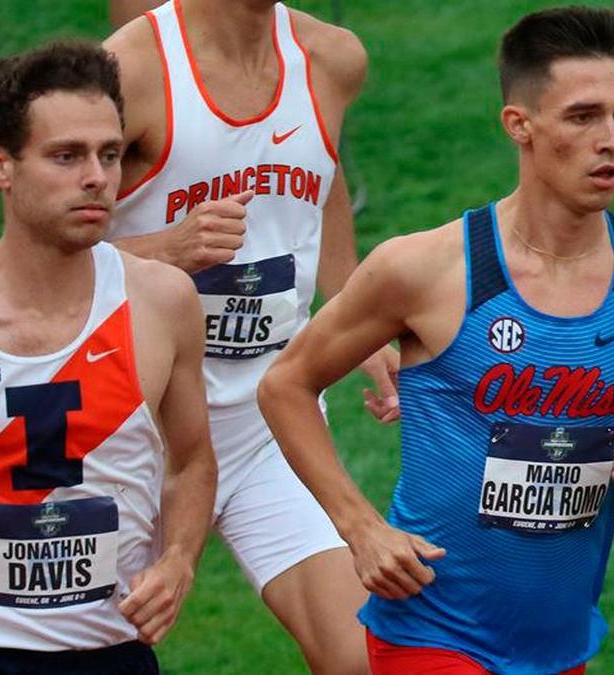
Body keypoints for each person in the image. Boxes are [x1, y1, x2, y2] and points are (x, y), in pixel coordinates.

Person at [259, 6, 614, 673]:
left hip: (561, 639)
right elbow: (285, 382)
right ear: (521, 125)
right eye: (583, 116)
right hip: (432, 629)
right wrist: (360, 527)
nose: (612, 140)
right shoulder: (426, 270)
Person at [103, 1, 397, 670]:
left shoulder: (333, 58)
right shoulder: (130, 70)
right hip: (134, 431)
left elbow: (320, 178)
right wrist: (164, 247)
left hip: (269, 422)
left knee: (363, 657)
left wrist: (356, 313)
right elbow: (41, 250)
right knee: (83, 654)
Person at [0, 41, 216, 673]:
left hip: (112, 652)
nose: (97, 177)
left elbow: (192, 461)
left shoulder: (163, 301)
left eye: (109, 154)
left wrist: (179, 559)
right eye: (66, 156)